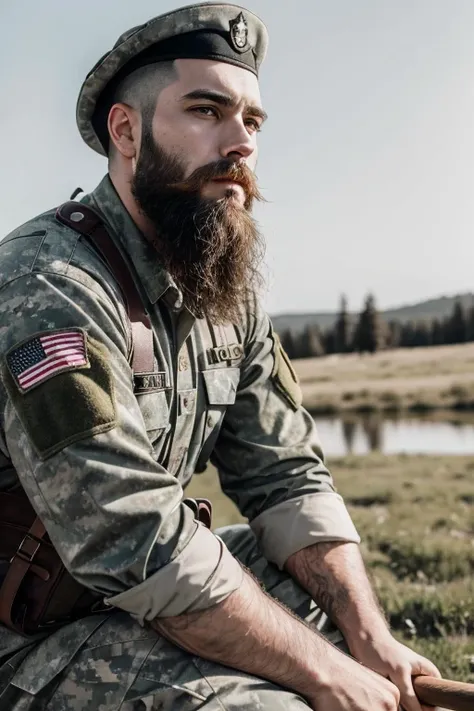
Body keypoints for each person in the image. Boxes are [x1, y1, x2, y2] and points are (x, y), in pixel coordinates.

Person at [0, 4, 440, 710]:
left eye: (253, 121)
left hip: (127, 593)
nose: (240, 142)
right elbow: (131, 529)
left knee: (321, 594)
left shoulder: (219, 289)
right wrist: (322, 672)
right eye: (207, 110)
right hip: (26, 631)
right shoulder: (48, 286)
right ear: (127, 132)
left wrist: (371, 640)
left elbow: (287, 476)